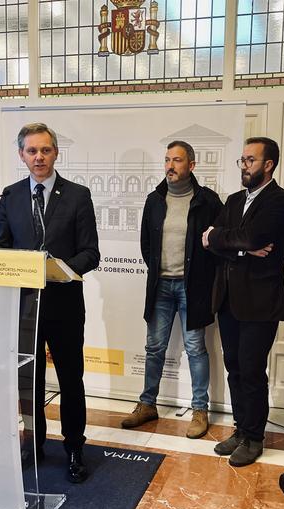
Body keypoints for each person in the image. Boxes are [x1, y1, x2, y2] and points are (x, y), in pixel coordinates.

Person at [0, 123, 99, 483]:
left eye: (45, 150)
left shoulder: (77, 195)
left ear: (56, 153)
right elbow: (2, 249)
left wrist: (61, 269)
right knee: (29, 381)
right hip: (24, 307)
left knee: (71, 380)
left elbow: (91, 253)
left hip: (65, 305)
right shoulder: (9, 196)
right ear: (21, 155)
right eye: (32, 151)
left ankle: (74, 448)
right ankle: (34, 444)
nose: (39, 157)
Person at [201, 137, 284, 467]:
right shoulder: (234, 199)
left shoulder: (279, 201)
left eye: (250, 160)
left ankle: (255, 438)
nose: (244, 166)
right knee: (234, 367)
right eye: (242, 160)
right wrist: (237, 245)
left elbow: (253, 237)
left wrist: (227, 240)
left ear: (268, 165)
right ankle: (241, 429)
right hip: (228, 298)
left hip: (259, 300)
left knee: (252, 370)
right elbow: (209, 240)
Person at [121, 141, 222, 438]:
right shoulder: (155, 199)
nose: (170, 165)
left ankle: (200, 409)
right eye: (167, 159)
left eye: (177, 160)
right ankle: (147, 404)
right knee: (154, 347)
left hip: (193, 288)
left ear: (191, 165)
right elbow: (146, 244)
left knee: (195, 349)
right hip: (161, 285)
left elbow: (218, 242)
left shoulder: (208, 201)